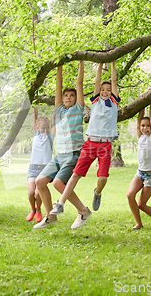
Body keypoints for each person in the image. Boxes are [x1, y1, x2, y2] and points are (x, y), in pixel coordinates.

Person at [50, 62, 120, 229]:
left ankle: (97, 193)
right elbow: (94, 82)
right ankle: (60, 203)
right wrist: (100, 62)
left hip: (105, 145)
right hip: (90, 143)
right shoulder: (96, 101)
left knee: (102, 178)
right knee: (76, 174)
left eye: (108, 90)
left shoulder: (114, 102)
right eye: (102, 89)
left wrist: (112, 63)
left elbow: (114, 80)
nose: (105, 91)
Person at [33, 61, 92, 229]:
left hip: (73, 153)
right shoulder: (59, 111)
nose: (68, 97)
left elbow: (79, 84)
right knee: (40, 181)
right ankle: (50, 216)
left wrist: (81, 61)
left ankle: (83, 210)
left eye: (71, 95)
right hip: (60, 154)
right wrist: (59, 67)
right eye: (66, 95)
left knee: (58, 183)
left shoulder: (78, 109)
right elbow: (57, 89)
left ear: (76, 99)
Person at [127, 102, 151, 230]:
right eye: (143, 126)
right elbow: (138, 119)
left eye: (148, 126)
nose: (145, 128)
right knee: (130, 195)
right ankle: (139, 223)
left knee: (142, 204)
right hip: (140, 172)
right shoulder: (140, 136)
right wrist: (142, 102)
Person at [26, 107, 54, 223]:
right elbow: (34, 119)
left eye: (47, 127)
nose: (46, 130)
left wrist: (54, 114)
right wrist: (34, 110)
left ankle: (39, 210)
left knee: (38, 192)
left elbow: (54, 121)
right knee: (31, 192)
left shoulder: (50, 136)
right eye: (43, 128)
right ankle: (33, 209)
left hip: (45, 168)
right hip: (33, 168)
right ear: (38, 128)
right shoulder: (36, 135)